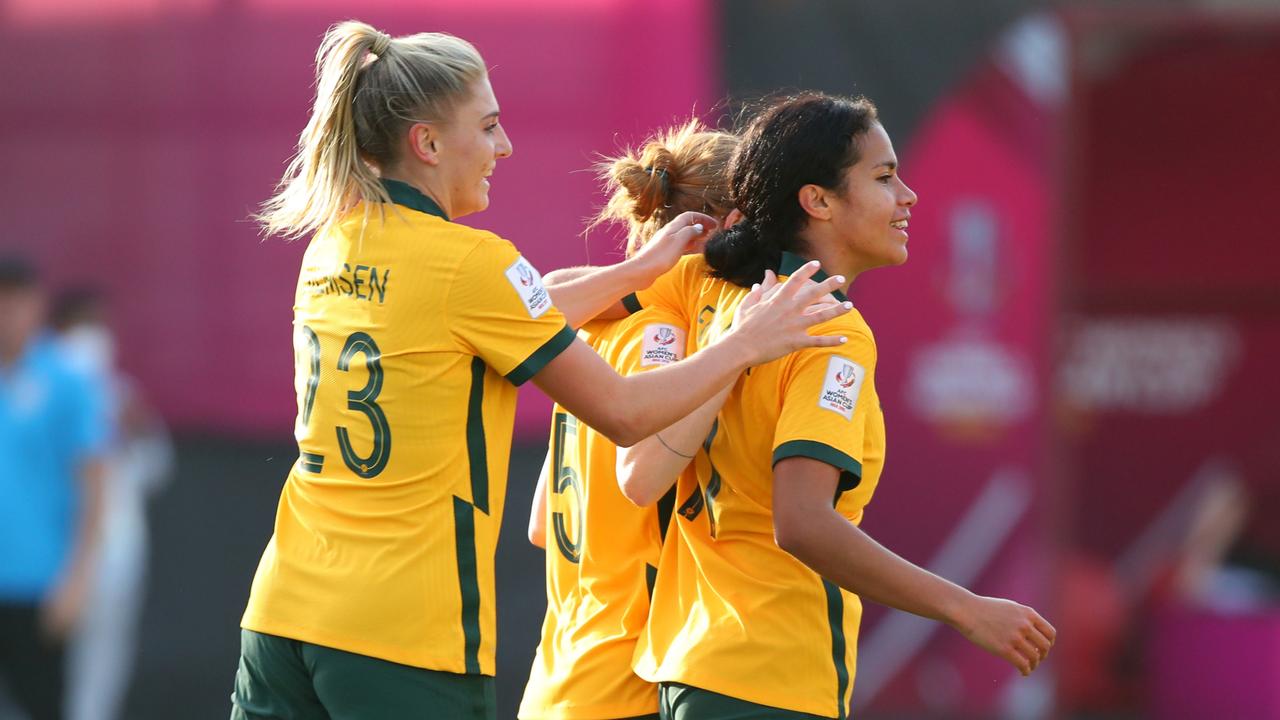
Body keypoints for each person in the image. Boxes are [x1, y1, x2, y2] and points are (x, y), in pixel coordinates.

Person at [231, 23, 852, 720]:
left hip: (283, 611)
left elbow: (503, 310)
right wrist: (742, 344)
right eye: (489, 126)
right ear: (428, 144)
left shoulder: (333, 244)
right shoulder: (472, 264)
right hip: (399, 627)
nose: (505, 147)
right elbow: (622, 416)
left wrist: (639, 270)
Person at [617, 93, 1056, 719]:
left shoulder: (694, 286)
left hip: (685, 673)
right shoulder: (832, 330)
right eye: (883, 177)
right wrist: (966, 608)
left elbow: (549, 309)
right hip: (773, 680)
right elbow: (802, 522)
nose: (908, 196)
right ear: (817, 200)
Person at [519, 121, 745, 720]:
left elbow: (543, 523)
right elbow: (641, 476)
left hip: (556, 680)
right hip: (629, 684)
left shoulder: (590, 332)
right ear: (721, 229)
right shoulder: (665, 340)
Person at [52, 288, 174, 720]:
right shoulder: (42, 392)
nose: (93, 338)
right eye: (82, 326)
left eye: (99, 326)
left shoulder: (124, 394)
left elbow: (157, 468)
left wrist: (136, 427)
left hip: (118, 550)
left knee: (104, 659)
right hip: (55, 550)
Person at [0, 258, 108, 720]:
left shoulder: (66, 380)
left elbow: (95, 482)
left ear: (36, 304)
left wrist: (78, 578)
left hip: (39, 586)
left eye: (16, 301)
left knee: (41, 704)